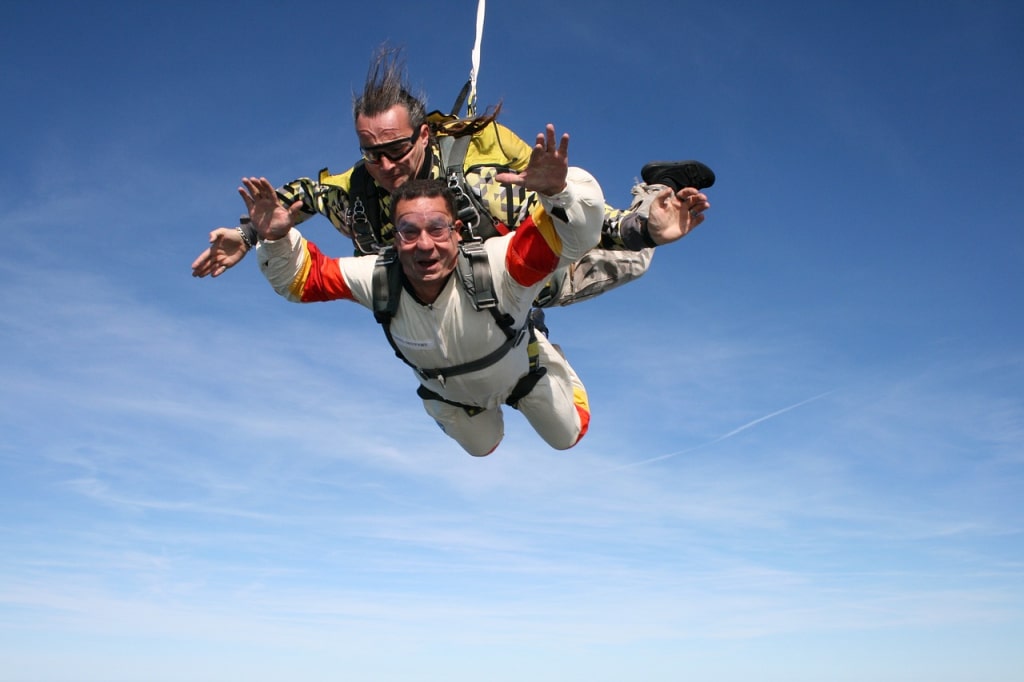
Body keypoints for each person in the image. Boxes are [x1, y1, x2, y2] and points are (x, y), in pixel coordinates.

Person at [246, 124, 709, 455]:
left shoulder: (493, 227)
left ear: (458, 230)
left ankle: (653, 191)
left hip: (527, 284)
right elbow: (302, 266)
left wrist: (577, 199)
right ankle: (483, 380)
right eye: (407, 231)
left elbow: (575, 234)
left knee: (633, 260)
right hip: (462, 364)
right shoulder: (376, 258)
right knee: (481, 445)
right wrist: (262, 234)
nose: (424, 244)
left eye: (436, 228)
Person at [192, 46, 714, 311]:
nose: (386, 166)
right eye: (369, 153)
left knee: (635, 261)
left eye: (396, 149)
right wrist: (250, 233)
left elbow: (580, 222)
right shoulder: (358, 191)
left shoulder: (478, 186)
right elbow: (299, 196)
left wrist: (644, 228)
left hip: (526, 270)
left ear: (422, 137)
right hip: (457, 306)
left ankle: (655, 187)